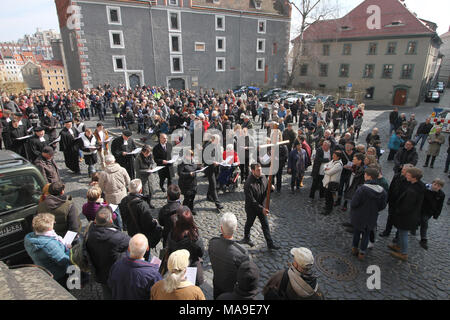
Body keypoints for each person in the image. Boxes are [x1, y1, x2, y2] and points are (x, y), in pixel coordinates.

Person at [86, 206, 130, 300]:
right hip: (115, 271)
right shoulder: (118, 237)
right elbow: (130, 242)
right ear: (110, 221)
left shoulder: (89, 232)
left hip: (99, 270)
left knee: (107, 292)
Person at [108, 234, 163, 300]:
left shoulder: (116, 265)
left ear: (129, 248)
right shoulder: (153, 274)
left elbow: (110, 284)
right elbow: (159, 295)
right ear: (147, 248)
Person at [208, 212, 250, 299]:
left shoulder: (212, 243)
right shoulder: (242, 253)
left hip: (217, 284)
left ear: (221, 228)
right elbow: (244, 276)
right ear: (236, 228)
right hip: (231, 290)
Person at [24, 213, 72, 287]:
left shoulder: (29, 237)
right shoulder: (49, 244)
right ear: (48, 228)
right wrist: (69, 250)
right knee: (64, 289)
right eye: (53, 223)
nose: (54, 223)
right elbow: (63, 260)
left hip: (45, 270)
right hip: (58, 273)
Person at [239, 163, 279, 250]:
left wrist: (270, 188)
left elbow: (265, 191)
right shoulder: (248, 184)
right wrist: (262, 209)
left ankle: (270, 244)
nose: (260, 171)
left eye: (260, 169)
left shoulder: (263, 177)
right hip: (252, 208)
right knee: (249, 223)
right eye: (258, 170)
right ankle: (246, 237)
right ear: (252, 171)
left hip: (262, 207)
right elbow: (252, 201)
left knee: (265, 225)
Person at [350, 168, 388, 260]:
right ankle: (362, 253)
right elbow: (383, 205)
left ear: (369, 177)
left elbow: (354, 203)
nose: (364, 176)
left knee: (357, 233)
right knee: (366, 234)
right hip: (372, 216)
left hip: (359, 215)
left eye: (365, 175)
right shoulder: (382, 191)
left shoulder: (362, 189)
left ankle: (354, 248)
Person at [389, 167, 425, 261]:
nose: (406, 176)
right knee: (401, 232)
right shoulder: (418, 186)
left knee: (403, 233)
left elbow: (407, 206)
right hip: (409, 215)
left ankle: (404, 253)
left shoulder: (413, 191)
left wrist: (399, 211)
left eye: (408, 175)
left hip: (407, 216)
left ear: (414, 177)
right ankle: (398, 246)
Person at [119, 179, 161, 256]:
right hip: (143, 234)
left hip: (131, 231)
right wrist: (155, 222)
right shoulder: (142, 205)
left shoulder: (123, 201)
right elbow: (148, 223)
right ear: (140, 190)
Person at [165, 207, 205, 286]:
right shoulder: (194, 238)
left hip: (175, 267)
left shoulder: (172, 234)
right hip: (192, 267)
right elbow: (201, 252)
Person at [379, 163, 413, 238]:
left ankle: (397, 236)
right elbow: (391, 187)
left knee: (399, 220)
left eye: (404, 170)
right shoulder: (397, 176)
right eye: (403, 169)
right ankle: (387, 231)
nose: (402, 170)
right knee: (390, 216)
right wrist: (387, 199)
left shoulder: (409, 181)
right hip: (393, 200)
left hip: (400, 202)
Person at [418, 179, 445, 250]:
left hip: (429, 212)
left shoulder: (441, 194)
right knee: (418, 221)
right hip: (420, 209)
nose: (436, 187)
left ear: (441, 187)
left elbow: (440, 205)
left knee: (424, 221)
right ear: (432, 183)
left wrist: (436, 214)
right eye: (435, 184)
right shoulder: (425, 189)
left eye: (438, 186)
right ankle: (414, 228)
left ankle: (423, 238)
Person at [203, 134, 224, 210]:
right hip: (210, 168)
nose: (219, 142)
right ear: (212, 140)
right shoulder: (207, 147)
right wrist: (213, 162)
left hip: (217, 168)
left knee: (212, 183)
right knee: (213, 185)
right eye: (217, 140)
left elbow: (219, 155)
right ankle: (217, 203)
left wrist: (222, 161)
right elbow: (205, 159)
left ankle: (208, 195)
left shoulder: (217, 145)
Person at [177, 150, 201, 214]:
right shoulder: (181, 163)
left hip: (193, 183)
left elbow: (196, 167)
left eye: (192, 155)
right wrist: (189, 174)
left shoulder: (192, 161)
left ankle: (191, 209)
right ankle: (183, 211)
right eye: (190, 155)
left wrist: (201, 167)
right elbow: (180, 173)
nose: (191, 157)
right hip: (185, 184)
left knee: (192, 197)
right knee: (187, 198)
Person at [321, 150, 343, 215]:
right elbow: (325, 165)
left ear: (338, 157)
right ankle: (327, 206)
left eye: (334, 156)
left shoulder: (338, 164)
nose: (333, 156)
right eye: (333, 155)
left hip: (332, 183)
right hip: (327, 182)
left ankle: (328, 210)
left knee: (329, 197)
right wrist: (326, 168)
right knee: (327, 196)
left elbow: (330, 172)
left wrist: (326, 170)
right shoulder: (333, 161)